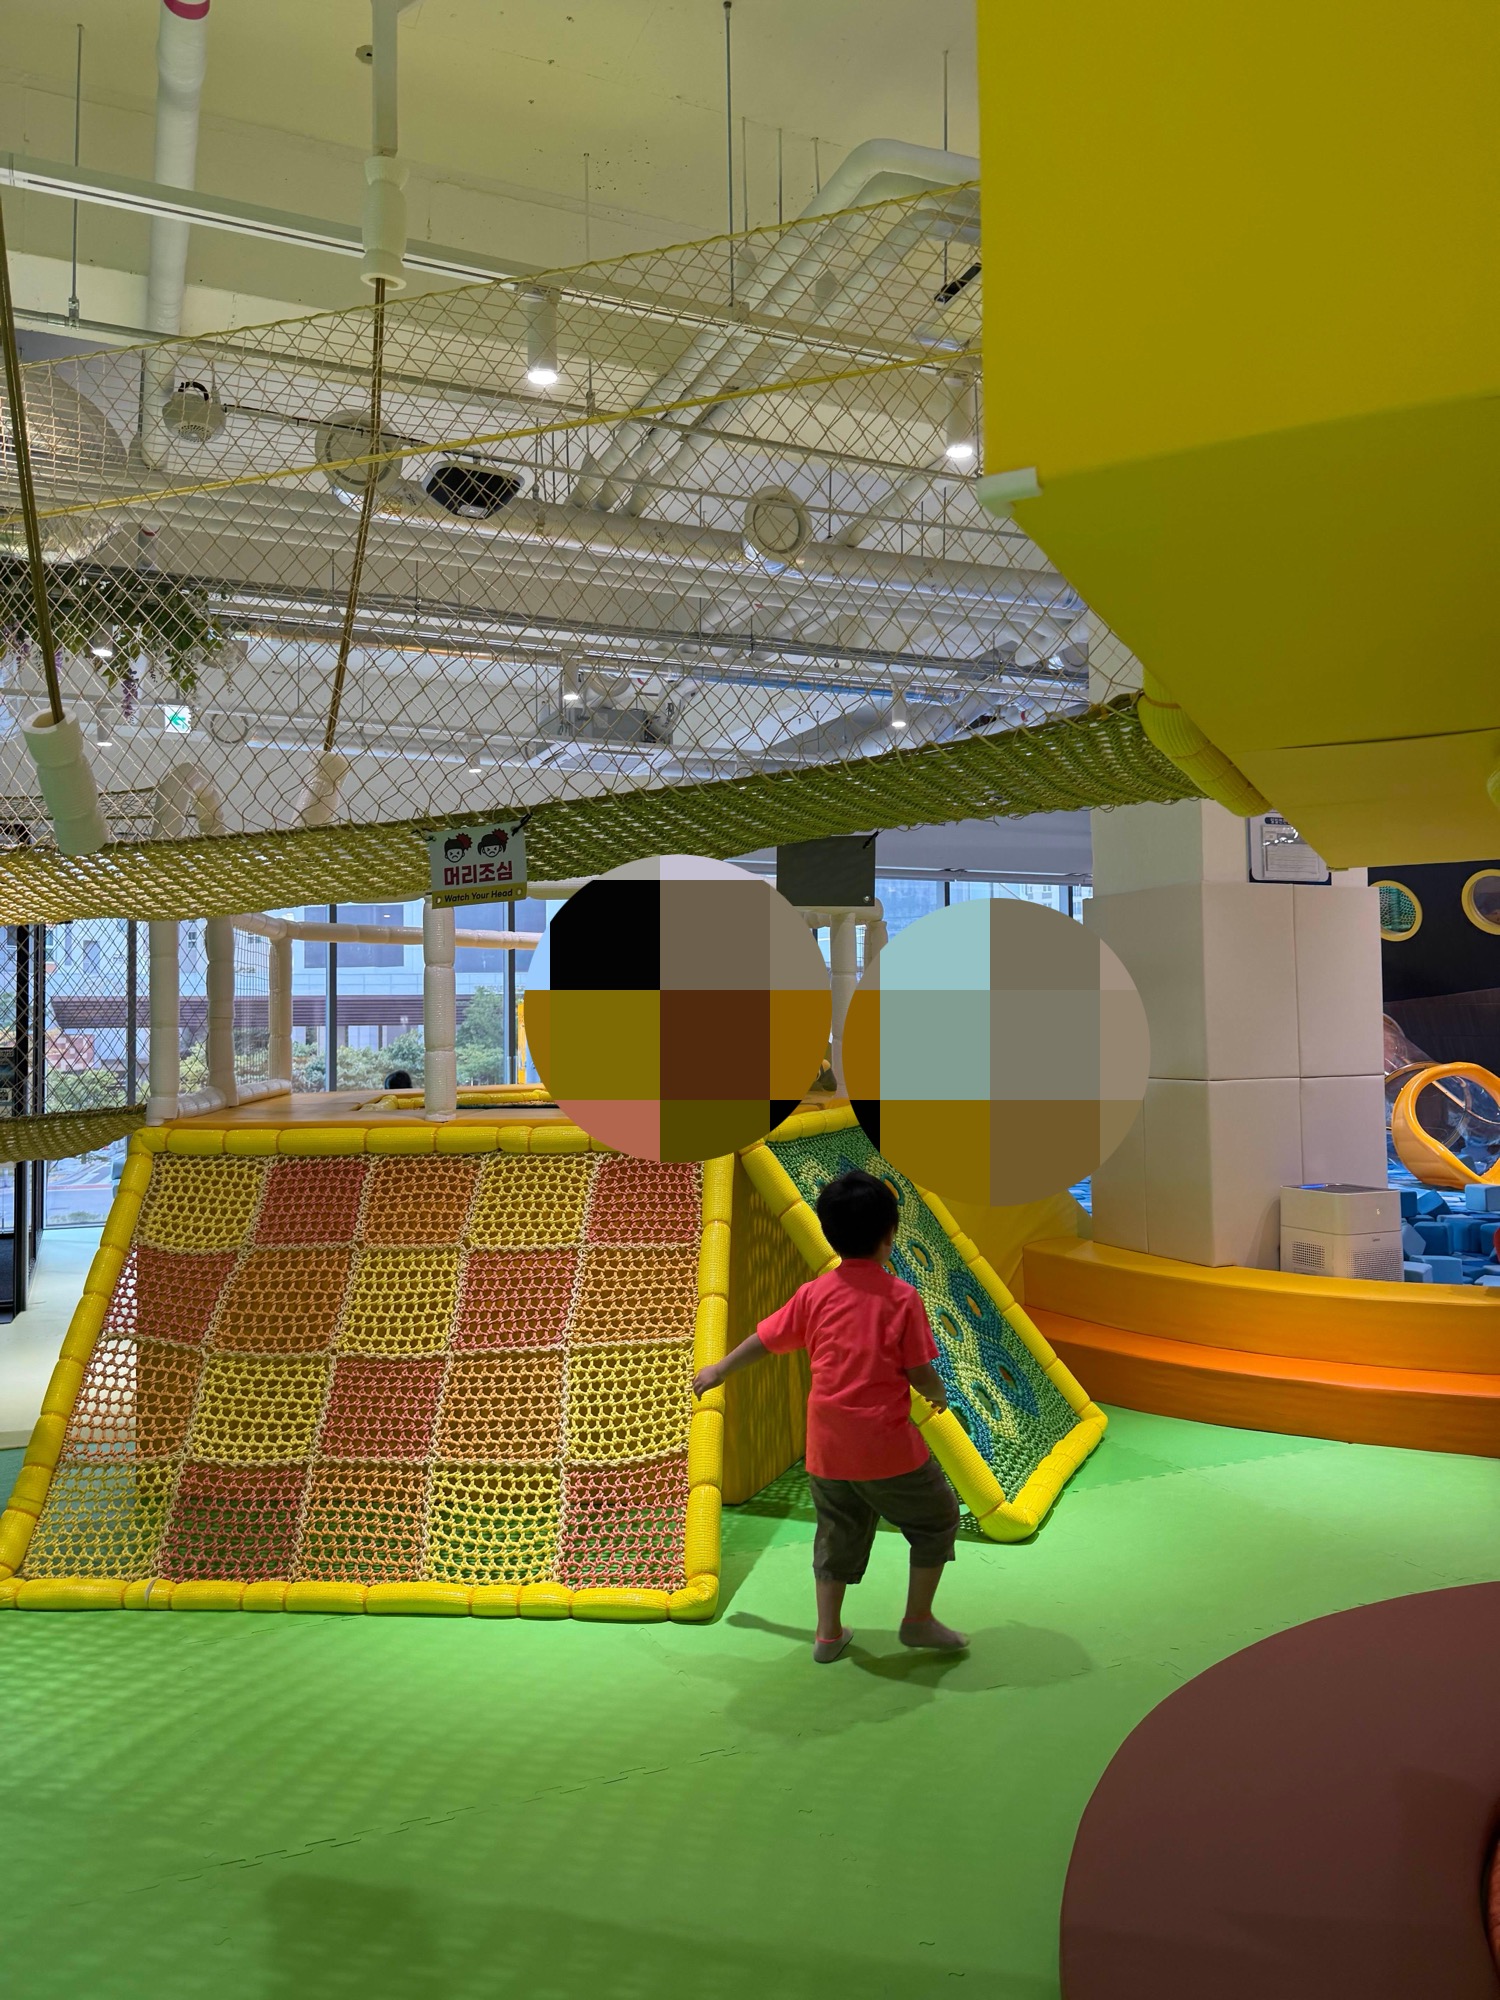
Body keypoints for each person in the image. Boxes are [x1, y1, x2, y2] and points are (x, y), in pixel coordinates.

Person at [693, 1168, 966, 1664]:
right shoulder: (901, 1299)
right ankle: (918, 1620)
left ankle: (827, 1634)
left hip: (826, 1450)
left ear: (829, 1233)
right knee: (938, 1518)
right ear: (890, 1236)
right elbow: (919, 1371)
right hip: (885, 1449)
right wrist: (938, 1394)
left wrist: (719, 1369)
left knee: (837, 1533)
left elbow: (765, 1340)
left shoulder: (814, 1294)